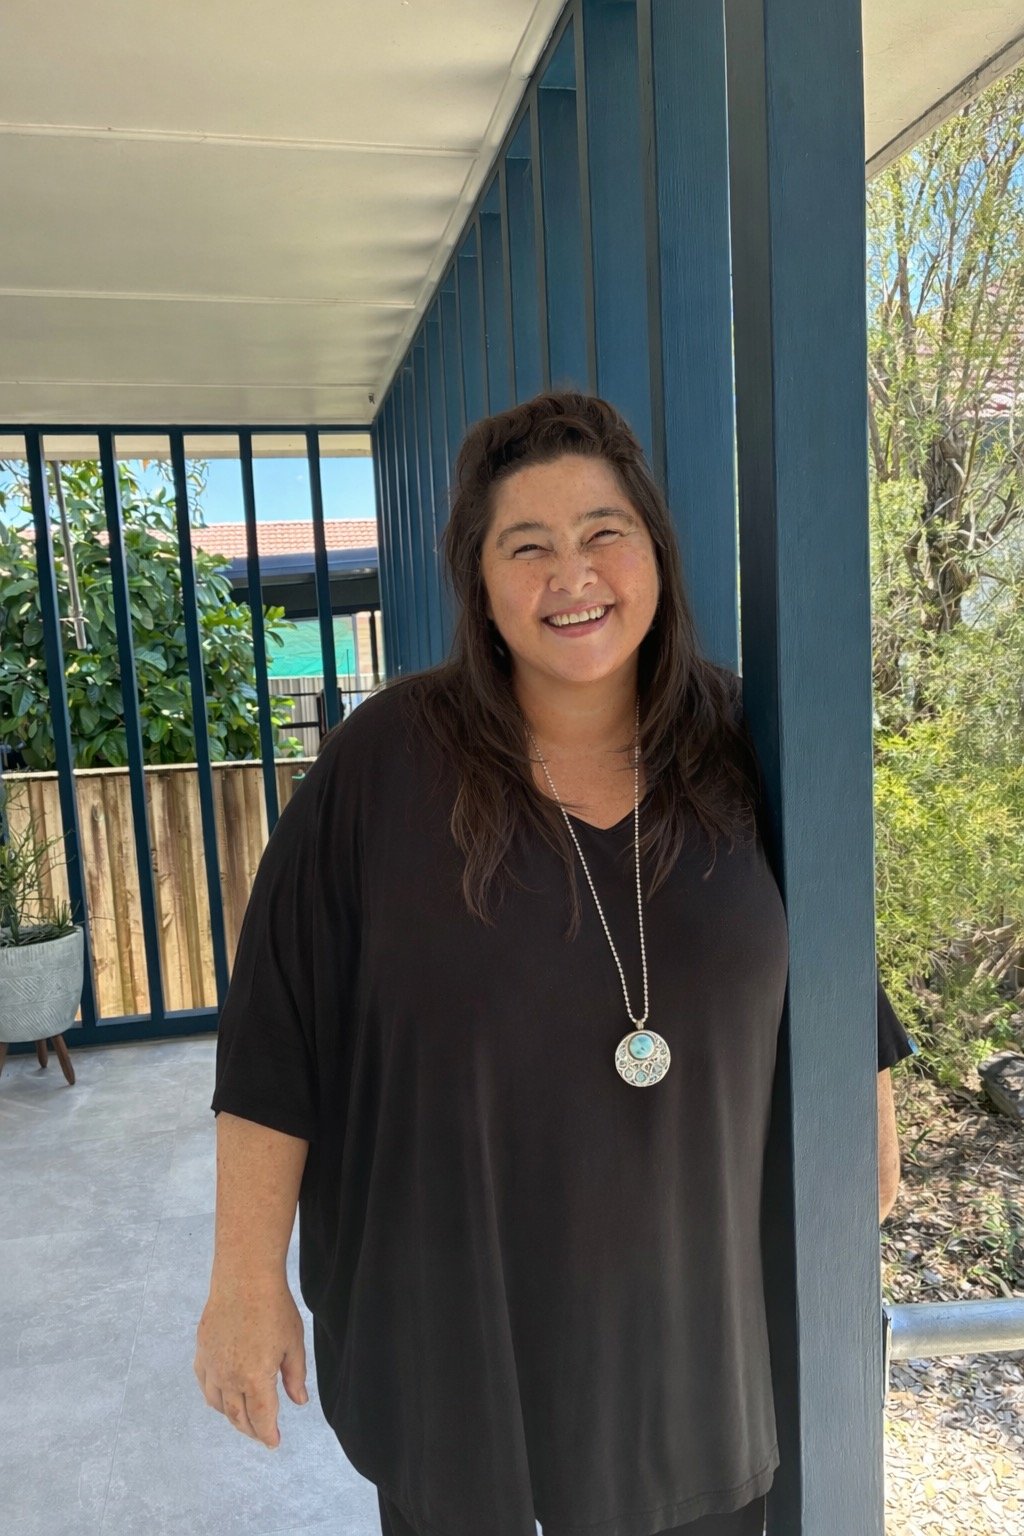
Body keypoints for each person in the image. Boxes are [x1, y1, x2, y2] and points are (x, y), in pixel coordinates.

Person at [196, 392, 915, 1536]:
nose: (570, 574)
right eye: (524, 547)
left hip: (695, 1360)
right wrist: (243, 1285)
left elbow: (828, 962)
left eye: (601, 533)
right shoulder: (383, 766)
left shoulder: (744, 740)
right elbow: (278, 1034)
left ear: (655, 555)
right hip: (459, 1349)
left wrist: (864, 1126)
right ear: (480, 587)